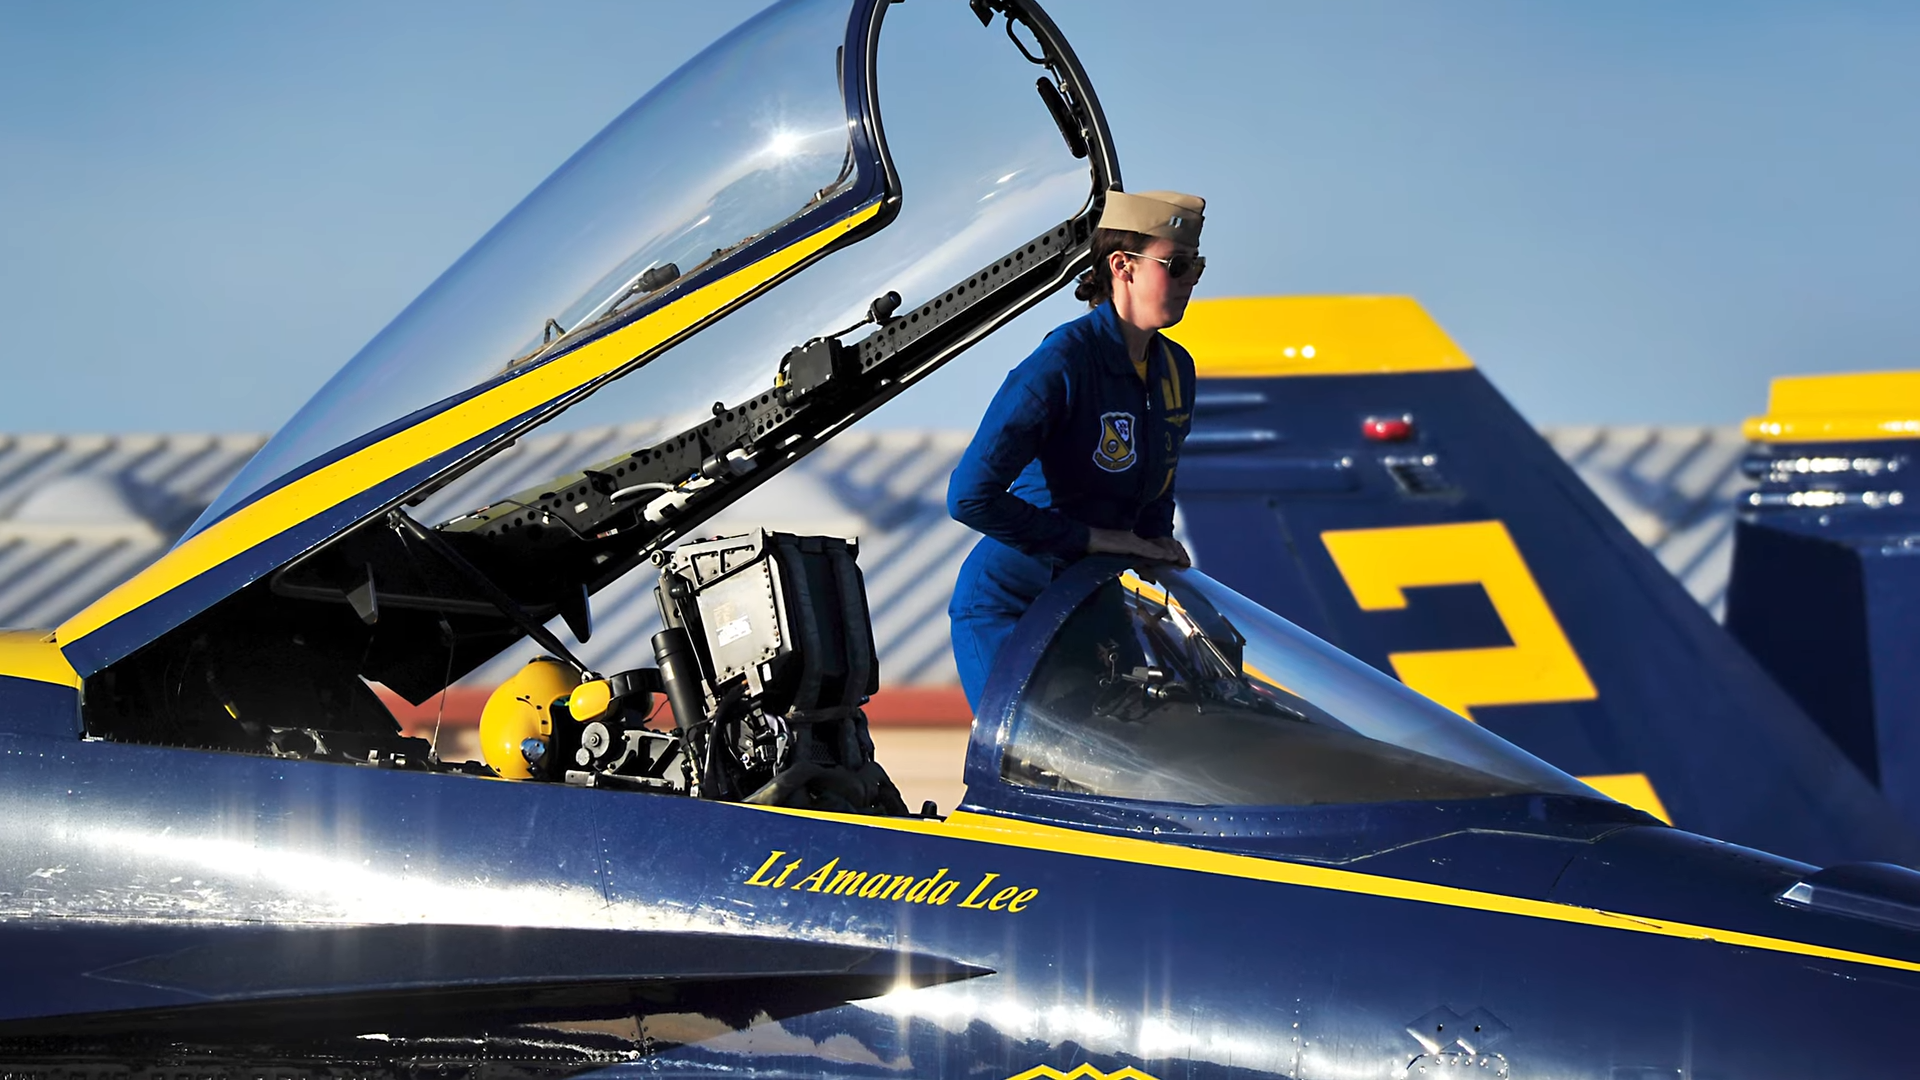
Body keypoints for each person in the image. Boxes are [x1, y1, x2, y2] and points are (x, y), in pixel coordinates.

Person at [946, 189, 1206, 711]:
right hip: (1014, 605)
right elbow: (969, 497)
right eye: (1176, 266)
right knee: (1040, 771)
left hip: (1091, 593)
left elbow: (1157, 488)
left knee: (1143, 749)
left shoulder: (1175, 369)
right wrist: (1092, 540)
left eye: (1195, 267)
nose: (1189, 282)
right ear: (1122, 267)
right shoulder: (1061, 362)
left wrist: (1156, 543)